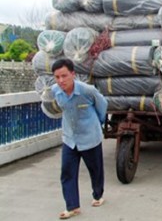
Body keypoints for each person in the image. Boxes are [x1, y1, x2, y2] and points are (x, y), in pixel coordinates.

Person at [50, 58, 108, 219]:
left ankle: (98, 195)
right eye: (57, 77)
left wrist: (98, 123)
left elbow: (102, 105)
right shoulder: (55, 90)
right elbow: (49, 107)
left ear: (73, 74)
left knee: (95, 170)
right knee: (67, 172)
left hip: (90, 137)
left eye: (64, 76)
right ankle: (72, 206)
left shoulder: (87, 90)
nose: (61, 81)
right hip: (70, 138)